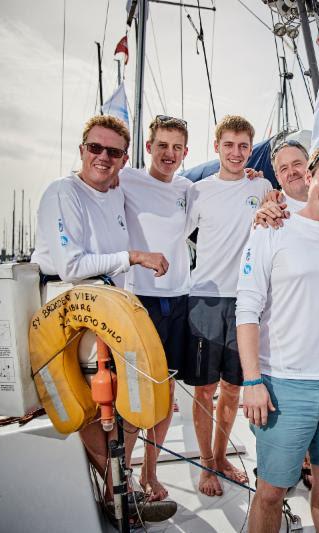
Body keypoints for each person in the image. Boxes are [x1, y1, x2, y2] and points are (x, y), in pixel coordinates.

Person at [31, 114, 173, 522]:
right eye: (95, 148)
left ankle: (119, 486)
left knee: (150, 391)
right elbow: (71, 264)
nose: (103, 157)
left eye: (113, 152)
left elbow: (165, 183)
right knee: (99, 407)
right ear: (81, 150)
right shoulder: (62, 192)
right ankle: (120, 495)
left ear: (124, 159)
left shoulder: (114, 191)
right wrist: (134, 256)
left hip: (111, 307)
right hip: (69, 313)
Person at [237, 146, 319, 533]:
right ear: (309, 179)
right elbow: (246, 310)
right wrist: (252, 380)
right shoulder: (271, 228)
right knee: (272, 491)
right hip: (285, 383)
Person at [185, 114, 272, 497]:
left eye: (243, 146)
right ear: (217, 146)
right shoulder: (198, 191)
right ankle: (207, 466)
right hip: (204, 299)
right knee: (204, 391)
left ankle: (221, 457)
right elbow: (178, 236)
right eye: (229, 145)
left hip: (246, 301)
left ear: (250, 150)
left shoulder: (263, 185)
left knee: (233, 390)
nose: (236, 153)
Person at [120, 114, 191, 502]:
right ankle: (125, 473)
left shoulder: (187, 188)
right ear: (148, 147)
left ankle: (150, 471)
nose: (169, 153)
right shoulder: (127, 179)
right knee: (136, 394)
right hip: (139, 300)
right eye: (162, 145)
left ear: (185, 152)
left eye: (177, 147)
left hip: (178, 299)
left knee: (165, 392)